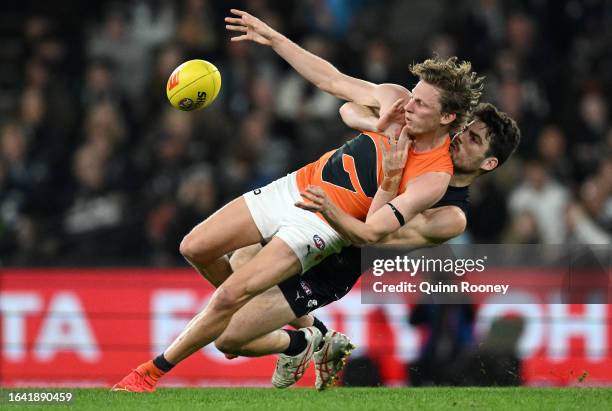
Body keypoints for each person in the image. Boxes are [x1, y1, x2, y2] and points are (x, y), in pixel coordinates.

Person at [112, 9, 484, 392]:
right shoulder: (396, 102)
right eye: (414, 95)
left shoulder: (433, 177)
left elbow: (372, 232)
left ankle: (150, 373)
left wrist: (388, 178)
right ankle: (309, 337)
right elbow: (333, 80)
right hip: (294, 187)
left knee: (229, 298)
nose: (410, 106)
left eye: (422, 104)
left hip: (320, 226)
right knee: (195, 247)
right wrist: (273, 37)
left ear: (447, 117)